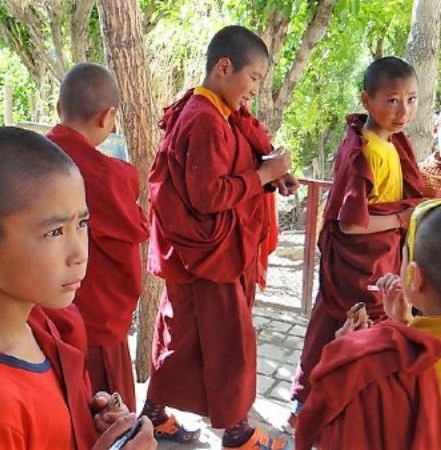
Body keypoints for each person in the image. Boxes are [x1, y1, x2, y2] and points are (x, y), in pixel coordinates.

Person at [0, 127, 156, 450]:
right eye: (54, 232)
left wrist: (86, 425)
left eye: (82, 224)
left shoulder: (35, 324)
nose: (79, 254)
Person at [142, 25, 298, 449]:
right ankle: (236, 431)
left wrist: (269, 180)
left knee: (183, 336)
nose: (255, 90)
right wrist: (263, 175)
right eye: (254, 78)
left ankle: (152, 414)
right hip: (211, 254)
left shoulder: (213, 112)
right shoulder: (205, 121)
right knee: (230, 340)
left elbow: (233, 171)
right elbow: (208, 194)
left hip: (198, 255)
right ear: (224, 67)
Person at [287, 56, 425, 431]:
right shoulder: (363, 151)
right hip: (357, 264)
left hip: (380, 257)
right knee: (339, 327)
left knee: (344, 327)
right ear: (367, 100)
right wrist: (401, 219)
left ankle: (338, 405)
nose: (403, 111)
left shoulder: (390, 142)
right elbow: (349, 225)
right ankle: (307, 405)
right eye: (392, 100)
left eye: (411, 99)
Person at [295, 198, 441, 450]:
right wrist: (404, 324)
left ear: (413, 276)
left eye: (402, 254)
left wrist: (348, 355)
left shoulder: (376, 364)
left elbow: (335, 434)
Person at [47, 62, 149, 412]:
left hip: (42, 319)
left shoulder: (32, 163)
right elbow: (132, 235)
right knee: (104, 414)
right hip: (95, 319)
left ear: (60, 110)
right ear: (109, 117)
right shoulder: (111, 178)